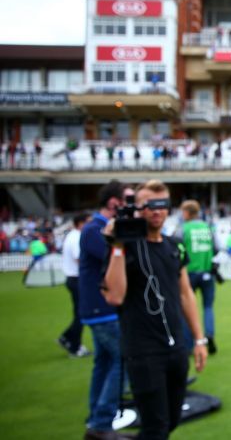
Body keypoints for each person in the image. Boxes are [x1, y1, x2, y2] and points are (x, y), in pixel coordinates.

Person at [102, 180, 208, 439]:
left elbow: (186, 295)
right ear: (136, 208)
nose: (157, 211)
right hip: (143, 351)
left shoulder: (174, 245)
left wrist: (199, 339)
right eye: (149, 205)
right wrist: (116, 246)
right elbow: (115, 296)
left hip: (176, 349)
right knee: (155, 428)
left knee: (170, 422)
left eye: (162, 205)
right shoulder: (124, 244)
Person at [79, 181, 128, 439]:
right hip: (103, 309)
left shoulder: (94, 228)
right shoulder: (94, 230)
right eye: (126, 200)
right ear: (113, 202)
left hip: (99, 309)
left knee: (104, 363)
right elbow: (114, 261)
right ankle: (101, 422)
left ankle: (95, 417)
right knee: (122, 361)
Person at [178, 199, 218, 355]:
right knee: (208, 307)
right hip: (207, 272)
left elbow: (177, 248)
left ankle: (188, 344)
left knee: (186, 308)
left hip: (188, 274)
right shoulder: (207, 227)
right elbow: (216, 249)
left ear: (187, 212)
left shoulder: (184, 229)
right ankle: (209, 335)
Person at [58, 213, 91, 358]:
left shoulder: (72, 235)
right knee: (81, 314)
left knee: (80, 313)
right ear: (80, 223)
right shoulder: (77, 237)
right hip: (77, 279)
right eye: (88, 222)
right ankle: (73, 345)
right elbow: (80, 259)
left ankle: (69, 339)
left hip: (73, 278)